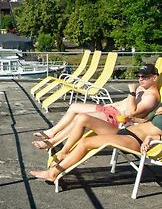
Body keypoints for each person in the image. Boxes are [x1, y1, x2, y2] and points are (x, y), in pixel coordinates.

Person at [31, 64, 160, 150]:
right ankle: (51, 132)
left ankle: (52, 142)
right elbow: (125, 102)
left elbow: (132, 113)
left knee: (81, 118)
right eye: (139, 76)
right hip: (110, 109)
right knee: (74, 106)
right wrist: (112, 104)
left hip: (115, 118)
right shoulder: (143, 89)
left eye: (144, 77)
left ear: (154, 78)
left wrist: (132, 92)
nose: (140, 79)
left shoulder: (151, 97)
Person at [30, 105, 162, 182]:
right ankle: (64, 153)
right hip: (124, 130)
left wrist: (151, 138)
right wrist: (132, 118)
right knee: (82, 118)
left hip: (134, 141)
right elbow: (146, 122)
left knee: (86, 142)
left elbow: (157, 134)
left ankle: (52, 174)